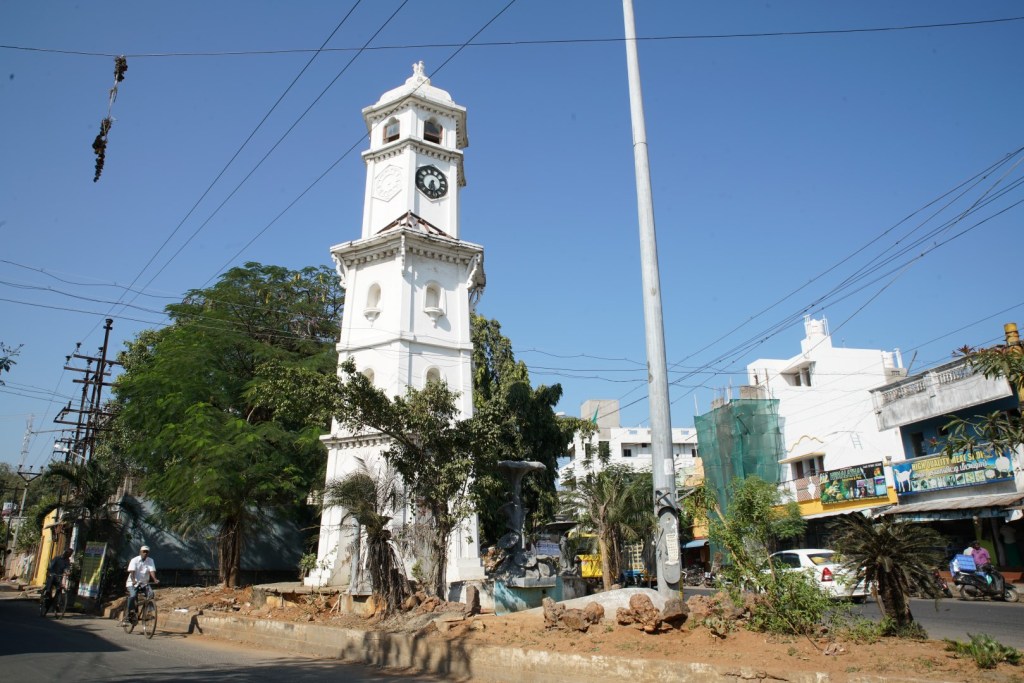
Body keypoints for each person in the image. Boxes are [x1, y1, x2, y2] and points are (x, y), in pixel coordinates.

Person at [123, 545, 158, 623]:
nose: (145, 553)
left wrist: (155, 579)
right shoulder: (134, 560)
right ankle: (129, 613)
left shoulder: (150, 560)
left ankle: (148, 612)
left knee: (151, 594)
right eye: (144, 551)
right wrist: (133, 580)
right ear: (140, 552)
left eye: (147, 552)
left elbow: (151, 571)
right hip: (132, 583)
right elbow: (132, 572)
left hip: (144, 583)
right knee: (133, 595)